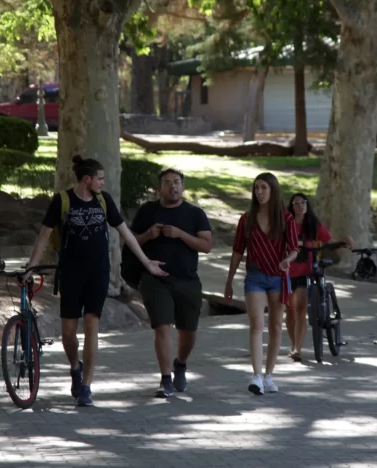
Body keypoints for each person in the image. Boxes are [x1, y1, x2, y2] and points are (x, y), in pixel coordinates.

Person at [25, 156, 167, 407]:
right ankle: (75, 367)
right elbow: (44, 236)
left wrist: (147, 262)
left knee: (92, 324)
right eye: (100, 179)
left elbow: (126, 234)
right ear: (87, 180)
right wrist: (30, 267)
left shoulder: (104, 201)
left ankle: (87, 387)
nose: (103, 183)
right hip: (70, 274)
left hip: (98, 273)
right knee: (68, 333)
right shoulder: (62, 201)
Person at [131, 168, 212, 398]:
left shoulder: (194, 213)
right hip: (155, 279)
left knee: (188, 332)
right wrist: (148, 235)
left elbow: (206, 245)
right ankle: (165, 379)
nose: (172, 187)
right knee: (162, 327)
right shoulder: (148, 211)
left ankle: (181, 364)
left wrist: (180, 234)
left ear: (183, 186)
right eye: (167, 183)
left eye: (176, 182)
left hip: (187, 279)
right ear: (159, 188)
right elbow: (131, 241)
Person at [224, 173, 299, 395]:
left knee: (276, 326)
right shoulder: (246, 219)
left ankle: (269, 376)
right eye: (256, 188)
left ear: (273, 190)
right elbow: (238, 251)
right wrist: (229, 281)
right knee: (257, 323)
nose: (260, 192)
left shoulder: (286, 219)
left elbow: (295, 248)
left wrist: (287, 260)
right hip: (255, 276)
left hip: (278, 276)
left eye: (264, 188)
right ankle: (256, 376)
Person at [285, 193, 353, 362]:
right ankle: (293, 344)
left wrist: (344, 243)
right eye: (296, 203)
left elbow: (330, 242)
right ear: (292, 207)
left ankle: (297, 349)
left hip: (306, 272)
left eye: (303, 202)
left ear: (307, 206)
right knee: (290, 312)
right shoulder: (286, 225)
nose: (300, 206)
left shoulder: (314, 225)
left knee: (301, 309)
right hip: (287, 272)